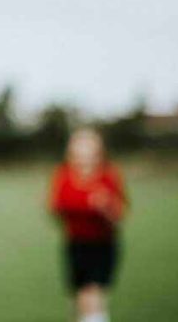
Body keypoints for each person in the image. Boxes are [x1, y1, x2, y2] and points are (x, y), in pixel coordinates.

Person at [48, 128, 127, 322]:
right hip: (75, 243)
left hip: (102, 244)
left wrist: (105, 207)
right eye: (79, 147)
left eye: (88, 147)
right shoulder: (64, 175)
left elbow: (119, 215)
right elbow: (55, 209)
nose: (83, 153)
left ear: (98, 150)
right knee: (78, 298)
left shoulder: (108, 175)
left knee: (92, 293)